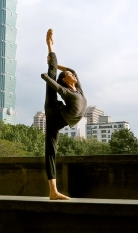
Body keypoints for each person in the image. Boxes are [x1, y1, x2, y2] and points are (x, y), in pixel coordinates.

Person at [41, 28, 87, 200]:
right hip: (55, 113)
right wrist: (48, 72)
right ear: (65, 81)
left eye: (73, 74)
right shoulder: (66, 90)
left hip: (61, 117)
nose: (73, 75)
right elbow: (54, 83)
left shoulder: (79, 90)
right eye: (69, 75)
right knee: (50, 151)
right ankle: (53, 191)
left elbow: (72, 69)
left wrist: (56, 64)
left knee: (51, 151)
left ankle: (53, 192)